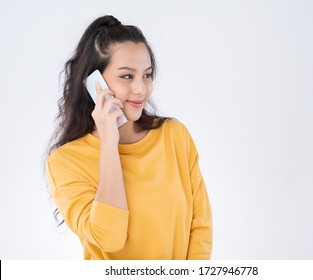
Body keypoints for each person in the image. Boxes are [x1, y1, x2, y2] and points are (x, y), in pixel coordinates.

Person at [45, 15, 212, 260]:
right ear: (95, 83)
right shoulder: (65, 162)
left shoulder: (175, 137)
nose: (141, 89)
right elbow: (109, 238)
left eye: (147, 74)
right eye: (126, 76)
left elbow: (200, 229)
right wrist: (109, 143)